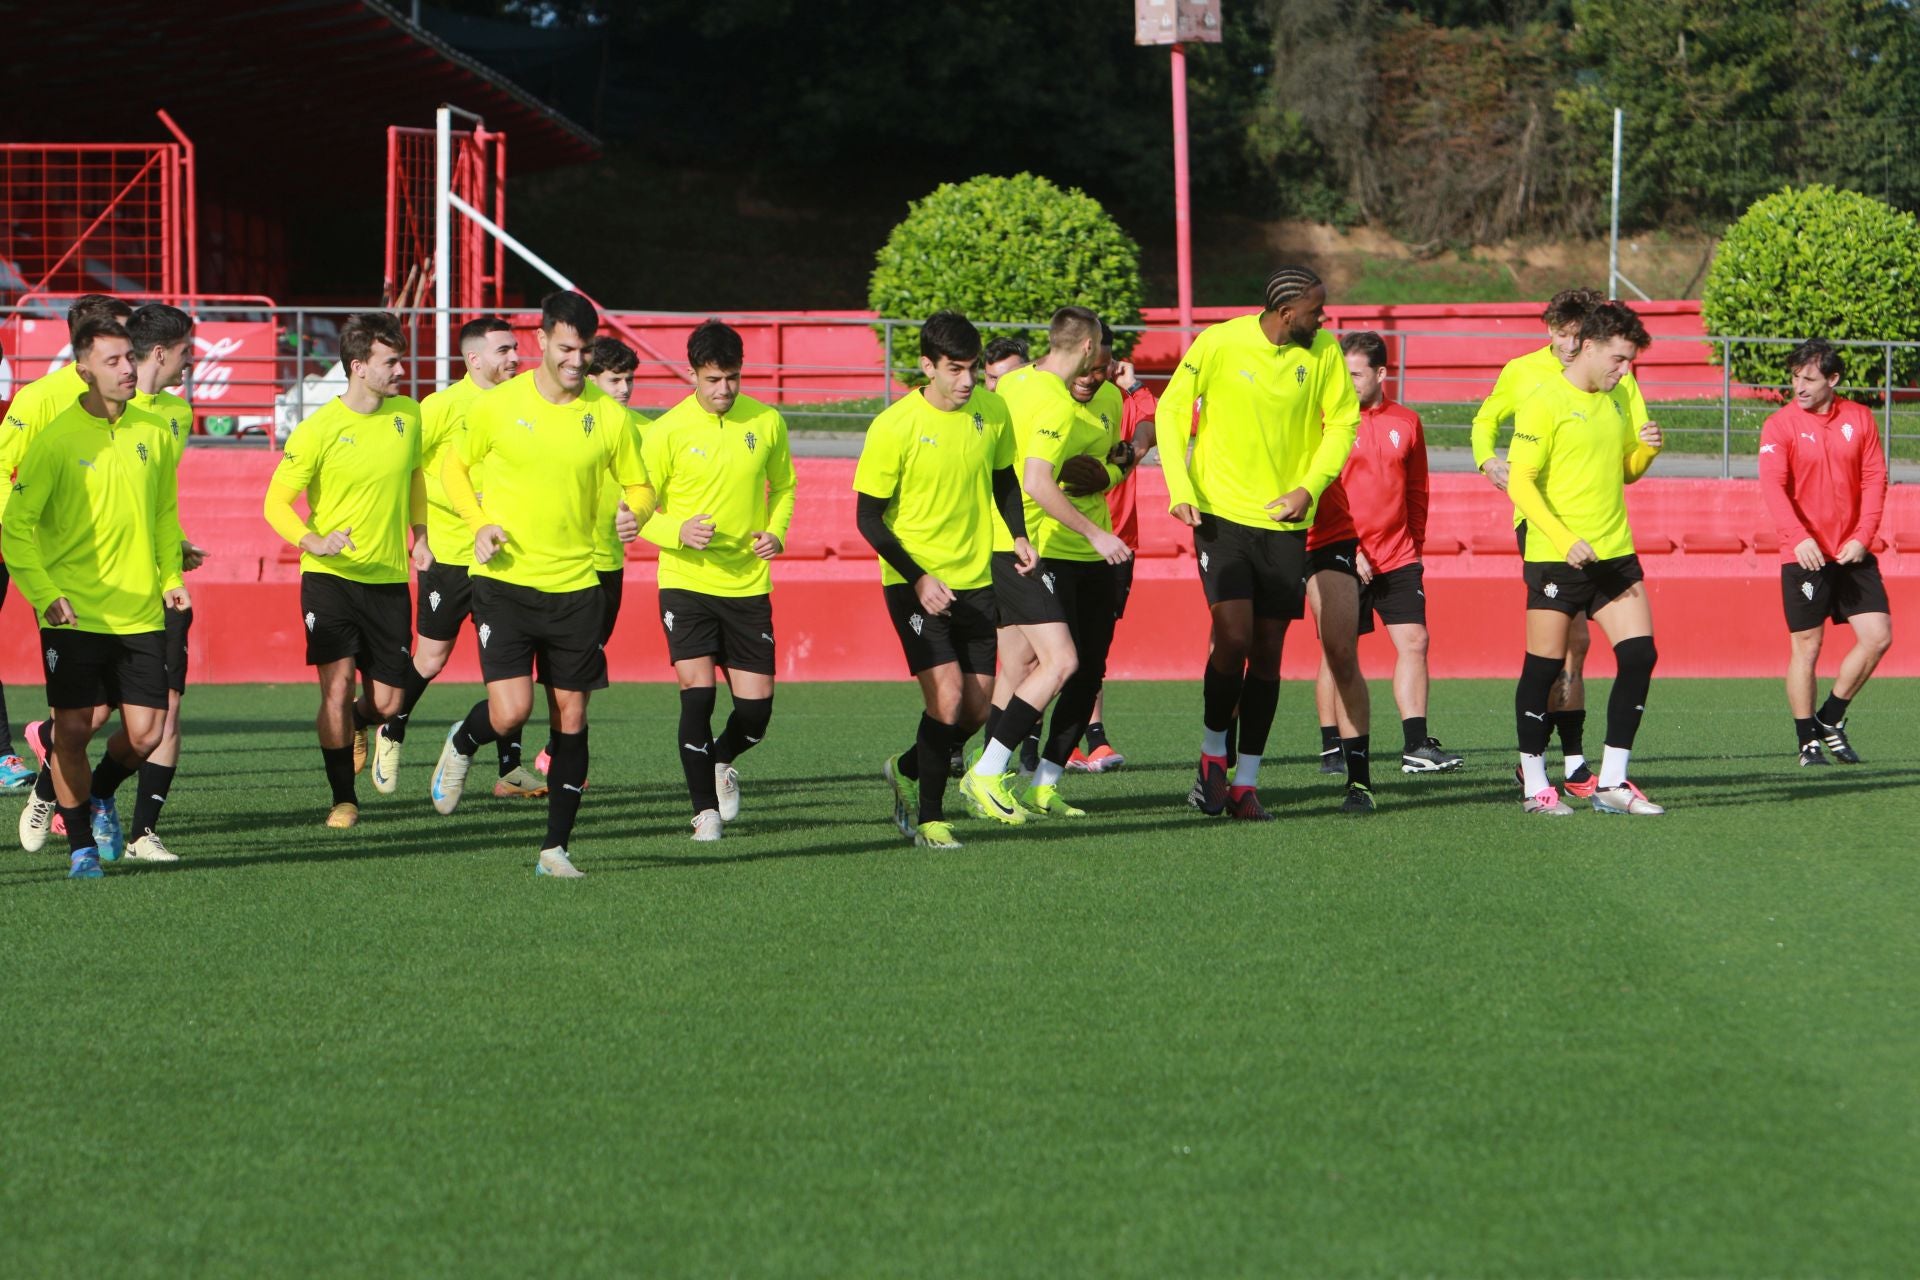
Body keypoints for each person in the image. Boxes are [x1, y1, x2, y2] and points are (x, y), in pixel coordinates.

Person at [429, 290, 655, 877]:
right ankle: (462, 741)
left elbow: (641, 485)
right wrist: (477, 524)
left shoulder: (608, 416)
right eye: (566, 349)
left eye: (584, 351)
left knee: (571, 718)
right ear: (542, 339)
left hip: (578, 586)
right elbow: (452, 466)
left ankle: (555, 849)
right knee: (511, 711)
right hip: (504, 583)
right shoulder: (499, 405)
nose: (577, 362)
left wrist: (638, 512)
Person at [1156, 266, 1359, 820]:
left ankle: (1245, 784)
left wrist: (1308, 487)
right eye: (1317, 310)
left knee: (1269, 651)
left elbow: (1343, 424)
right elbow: (1172, 407)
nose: (1324, 319)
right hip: (1221, 517)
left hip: (1285, 523)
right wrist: (1179, 486)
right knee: (1233, 634)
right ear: (1286, 312)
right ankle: (1211, 753)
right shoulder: (1220, 341)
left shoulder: (1324, 355)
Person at [1, 317, 186, 878]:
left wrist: (171, 576)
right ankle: (81, 845)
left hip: (138, 610)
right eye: (113, 361)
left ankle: (100, 792)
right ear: (83, 369)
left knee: (147, 733)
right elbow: (15, 526)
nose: (129, 368)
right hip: (73, 612)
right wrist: (44, 593)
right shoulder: (55, 439)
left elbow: (163, 516)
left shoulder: (154, 431)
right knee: (75, 731)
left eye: (131, 357)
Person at [1471, 288, 1644, 798]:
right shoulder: (1526, 375)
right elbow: (1486, 422)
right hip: (1543, 526)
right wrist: (1488, 461)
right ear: (1550, 331)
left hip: (1604, 534)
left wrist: (1648, 451)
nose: (1568, 345)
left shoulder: (1616, 381)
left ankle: (1575, 763)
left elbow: (1628, 456)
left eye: (1576, 335)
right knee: (1559, 646)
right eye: (1561, 335)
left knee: (1582, 646)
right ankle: (1539, 766)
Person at [960, 308, 1131, 823]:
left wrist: (1112, 468)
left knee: (1083, 667)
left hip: (1045, 548)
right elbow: (1035, 481)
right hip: (1031, 547)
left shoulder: (1022, 388)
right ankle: (987, 771)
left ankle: (1041, 784)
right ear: (1086, 348)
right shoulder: (1046, 398)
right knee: (1048, 663)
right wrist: (1098, 533)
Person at [856, 311, 1019, 849]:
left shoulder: (993, 411)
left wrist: (1017, 536)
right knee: (946, 701)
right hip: (913, 582)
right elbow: (868, 518)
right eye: (954, 369)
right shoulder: (894, 425)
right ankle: (929, 817)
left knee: (976, 710)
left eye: (973, 369)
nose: (967, 380)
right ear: (927, 366)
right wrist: (919, 576)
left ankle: (906, 766)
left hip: (977, 581)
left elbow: (1005, 480)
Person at [264, 312, 430, 828]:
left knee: (388, 702)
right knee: (334, 689)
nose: (401, 370)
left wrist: (420, 536)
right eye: (391, 361)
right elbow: (275, 503)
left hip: (387, 580)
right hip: (329, 577)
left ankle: (362, 722)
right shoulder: (319, 430)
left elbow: (417, 477)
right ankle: (343, 797)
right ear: (358, 367)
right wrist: (312, 539)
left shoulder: (409, 415)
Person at [638, 320, 795, 842]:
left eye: (732, 378)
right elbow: (635, 511)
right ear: (691, 375)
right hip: (685, 581)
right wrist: (676, 530)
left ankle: (721, 759)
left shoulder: (767, 422)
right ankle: (703, 812)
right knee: (697, 695)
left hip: (748, 584)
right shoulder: (665, 432)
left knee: (755, 713)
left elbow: (785, 487)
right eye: (712, 379)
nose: (724, 390)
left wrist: (776, 532)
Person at [1507, 300, 1665, 816]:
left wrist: (1645, 452)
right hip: (1556, 556)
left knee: (1640, 655)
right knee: (1545, 667)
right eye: (1618, 360)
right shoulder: (1544, 400)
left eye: (1630, 363)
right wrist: (1561, 535)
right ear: (1590, 347)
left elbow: (1623, 471)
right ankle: (1535, 784)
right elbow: (1520, 481)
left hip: (1613, 555)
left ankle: (1613, 783)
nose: (1625, 371)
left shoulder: (1616, 400)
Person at [370, 316, 532, 797]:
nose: (514, 358)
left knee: (508, 662)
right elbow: (410, 469)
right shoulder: (441, 406)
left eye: (515, 349)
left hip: (506, 557)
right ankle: (391, 728)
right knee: (431, 657)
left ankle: (510, 769)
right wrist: (431, 527)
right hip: (453, 553)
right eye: (503, 350)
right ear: (474, 358)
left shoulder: (522, 403)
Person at [0, 293, 133, 791]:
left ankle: (54, 757)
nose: (128, 355)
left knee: (117, 687)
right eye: (117, 344)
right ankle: (56, 791)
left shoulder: (139, 407)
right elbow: (3, 462)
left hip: (103, 556)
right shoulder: (37, 398)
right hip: (35, 549)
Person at [1319, 332, 1460, 777]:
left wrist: (1413, 542)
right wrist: (1349, 548)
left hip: (1398, 556)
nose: (1347, 382)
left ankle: (1416, 745)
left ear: (1381, 374)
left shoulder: (1408, 421)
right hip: (1342, 553)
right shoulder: (1325, 422)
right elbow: (1319, 488)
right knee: (1337, 652)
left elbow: (1417, 489)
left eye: (1355, 374)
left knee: (1415, 641)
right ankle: (1332, 748)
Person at [1758, 339, 1891, 765]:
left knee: (1878, 637)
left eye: (1810, 378)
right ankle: (1806, 740)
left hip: (1853, 550)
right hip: (1804, 555)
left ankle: (1830, 717)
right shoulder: (1779, 425)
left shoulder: (1860, 418)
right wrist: (1798, 537)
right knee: (1807, 647)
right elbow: (1772, 488)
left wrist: (1863, 535)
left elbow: (1875, 480)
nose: (1799, 385)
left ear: (1833, 380)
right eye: (1795, 377)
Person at [121, 303, 212, 861]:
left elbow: (155, 498)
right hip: (104, 583)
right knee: (96, 716)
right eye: (185, 351)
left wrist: (171, 549)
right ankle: (54, 751)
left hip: (162, 579)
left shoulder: (177, 414)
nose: (191, 360)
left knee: (168, 711)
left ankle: (141, 833)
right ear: (160, 352)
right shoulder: (100, 407)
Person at [1066, 355, 1157, 774]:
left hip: (1118, 541)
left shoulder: (1119, 400)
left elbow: (1153, 425)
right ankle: (1036, 741)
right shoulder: (1054, 401)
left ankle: (1090, 739)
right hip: (1062, 540)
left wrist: (1133, 384)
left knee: (1092, 646)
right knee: (1049, 648)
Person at [1302, 469, 1377, 815]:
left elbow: (1339, 437)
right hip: (1256, 526)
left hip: (1325, 532)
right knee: (1242, 645)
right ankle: (1227, 772)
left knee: (1341, 652)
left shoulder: (1327, 412)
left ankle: (1359, 782)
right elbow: (1175, 418)